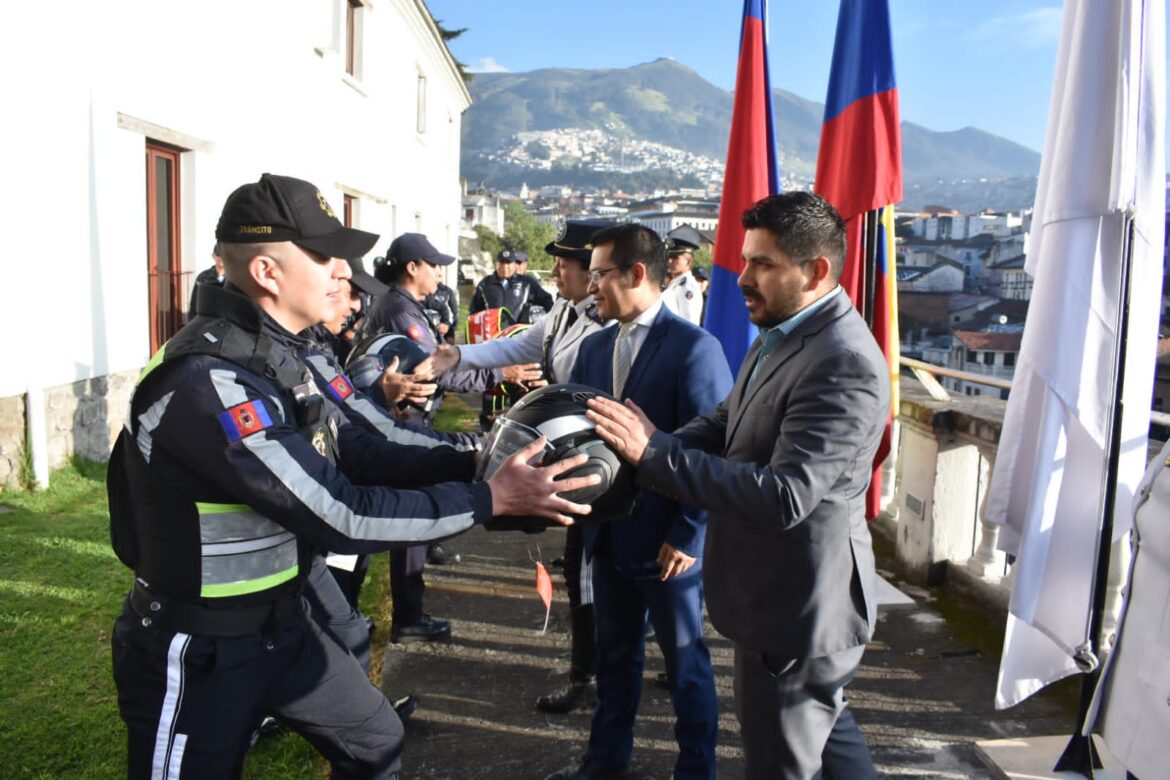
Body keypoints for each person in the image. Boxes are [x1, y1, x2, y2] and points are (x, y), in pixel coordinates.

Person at [107, 173, 598, 778]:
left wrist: (476, 457)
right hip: (198, 645)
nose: (346, 270)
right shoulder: (208, 382)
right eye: (324, 255)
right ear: (267, 273)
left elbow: (370, 442)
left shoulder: (294, 350)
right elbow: (339, 511)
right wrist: (488, 498)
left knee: (375, 741)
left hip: (280, 622)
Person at [586, 192, 889, 780]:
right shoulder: (782, 331)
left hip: (798, 604)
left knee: (779, 759)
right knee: (828, 740)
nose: (742, 278)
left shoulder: (842, 360)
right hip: (775, 597)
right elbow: (726, 423)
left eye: (763, 264)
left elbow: (785, 496)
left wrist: (654, 454)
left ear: (816, 270)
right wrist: (651, 445)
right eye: (746, 260)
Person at [546, 224, 732, 780]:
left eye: (600, 274)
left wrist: (690, 533)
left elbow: (713, 453)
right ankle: (604, 761)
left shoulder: (694, 348)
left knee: (685, 664)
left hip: (667, 540)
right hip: (606, 532)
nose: (592, 286)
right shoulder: (596, 346)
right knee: (615, 655)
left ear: (636, 274)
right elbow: (579, 430)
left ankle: (697, 769)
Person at [432, 220, 609, 714]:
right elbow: (522, 345)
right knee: (579, 568)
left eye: (565, 263)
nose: (555, 270)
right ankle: (587, 674)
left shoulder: (607, 321)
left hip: (593, 463)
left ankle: (591, 679)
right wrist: (458, 355)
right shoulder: (565, 311)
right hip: (566, 454)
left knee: (590, 575)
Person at [361, 232, 534, 643]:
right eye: (434, 264)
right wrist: (500, 374)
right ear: (412, 268)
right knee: (412, 513)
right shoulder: (400, 310)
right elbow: (437, 367)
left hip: (406, 415)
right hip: (400, 419)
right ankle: (409, 616)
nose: (440, 272)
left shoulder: (406, 305)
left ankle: (422, 567)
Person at [469, 248, 554, 323]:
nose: (505, 266)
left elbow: (548, 302)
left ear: (514, 265)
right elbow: (474, 313)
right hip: (493, 337)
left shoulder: (527, 283)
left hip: (518, 336)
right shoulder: (485, 284)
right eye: (502, 262)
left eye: (508, 263)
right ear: (496, 264)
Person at [660, 225, 704, 326]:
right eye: (669, 256)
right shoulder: (676, 283)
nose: (670, 261)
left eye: (675, 257)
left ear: (688, 261)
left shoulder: (688, 287)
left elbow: (689, 324)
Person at [187, 242, 226, 318]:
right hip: (207, 320)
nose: (220, 258)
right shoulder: (203, 277)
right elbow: (194, 303)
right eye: (218, 255)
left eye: (223, 255)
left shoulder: (233, 278)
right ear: (213, 256)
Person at [424, 280, 460, 345]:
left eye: (439, 276)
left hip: (443, 332)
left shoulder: (447, 291)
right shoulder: (419, 291)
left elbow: (454, 313)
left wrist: (449, 327)